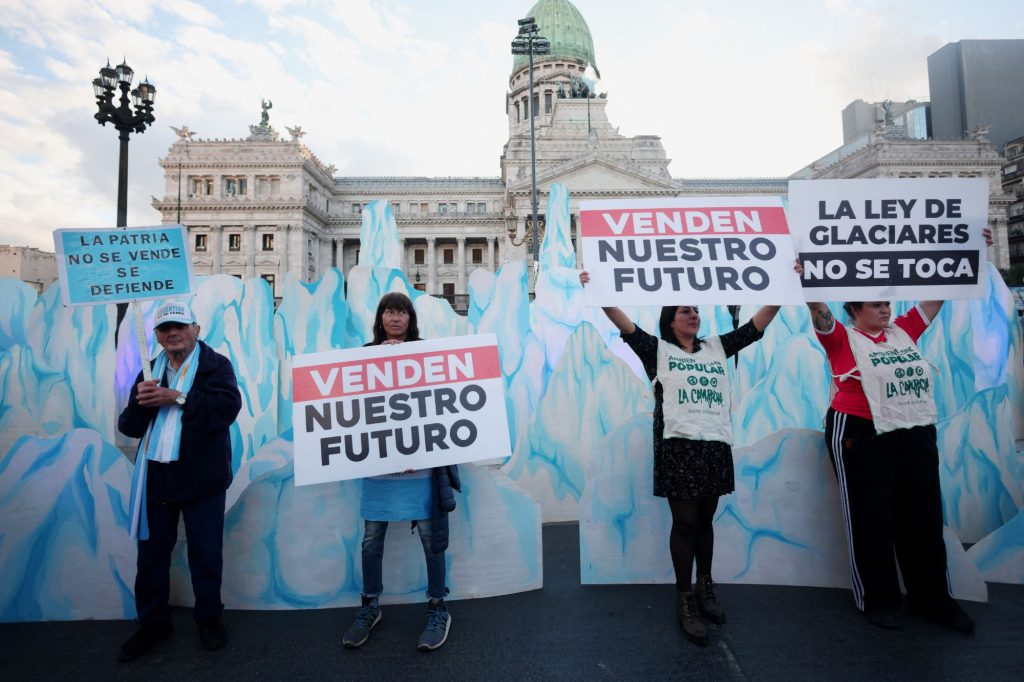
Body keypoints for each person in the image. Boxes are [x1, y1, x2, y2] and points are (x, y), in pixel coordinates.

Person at [579, 272, 780, 647]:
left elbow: (754, 328)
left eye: (696, 310)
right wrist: (597, 290)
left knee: (705, 519)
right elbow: (625, 325)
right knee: (685, 521)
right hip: (678, 448)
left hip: (713, 445)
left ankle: (706, 587)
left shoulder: (717, 348)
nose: (694, 315)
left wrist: (781, 290)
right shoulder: (658, 350)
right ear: (670, 320)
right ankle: (684, 598)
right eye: (686, 311)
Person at [795, 250, 987, 633]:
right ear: (854, 309)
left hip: (912, 428)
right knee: (871, 518)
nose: (885, 309)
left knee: (925, 516)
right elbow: (818, 309)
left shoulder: (904, 329)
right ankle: (879, 600)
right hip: (859, 432)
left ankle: (933, 599)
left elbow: (935, 298)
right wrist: (806, 279)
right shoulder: (840, 339)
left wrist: (969, 248)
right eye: (876, 304)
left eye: (887, 302)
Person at [117, 301, 242, 661]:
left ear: (195, 329)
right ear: (156, 336)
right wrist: (142, 405)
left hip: (203, 477)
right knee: (152, 556)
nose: (172, 334)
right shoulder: (148, 371)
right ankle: (153, 622)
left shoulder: (216, 365)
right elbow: (129, 427)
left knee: (206, 553)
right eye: (164, 329)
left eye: (179, 327)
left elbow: (226, 410)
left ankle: (209, 619)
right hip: (158, 476)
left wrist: (178, 397)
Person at [342, 291, 461, 652]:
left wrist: (419, 447)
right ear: (380, 318)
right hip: (378, 470)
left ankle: (438, 607)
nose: (395, 318)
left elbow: (439, 405)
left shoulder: (426, 355)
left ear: (411, 319)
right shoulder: (362, 356)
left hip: (420, 469)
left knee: (431, 541)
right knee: (370, 540)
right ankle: (370, 606)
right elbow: (353, 410)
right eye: (389, 312)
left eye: (402, 312)